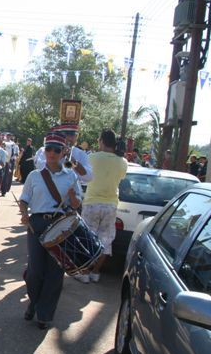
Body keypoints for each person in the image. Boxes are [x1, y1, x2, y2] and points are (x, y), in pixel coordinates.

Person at [18, 133, 82, 329]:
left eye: (56, 149)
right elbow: (24, 199)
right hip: (37, 224)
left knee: (55, 272)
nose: (51, 153)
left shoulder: (71, 176)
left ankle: (44, 314)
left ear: (63, 152)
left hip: (60, 225)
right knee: (35, 271)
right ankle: (34, 302)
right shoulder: (34, 175)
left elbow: (77, 204)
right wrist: (24, 214)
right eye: (48, 149)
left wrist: (72, 197)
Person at [75, 129, 128, 283]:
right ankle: (96, 272)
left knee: (87, 238)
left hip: (92, 202)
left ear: (102, 141)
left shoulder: (92, 157)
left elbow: (83, 173)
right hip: (111, 204)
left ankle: (84, 271)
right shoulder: (122, 162)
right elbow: (122, 177)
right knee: (105, 240)